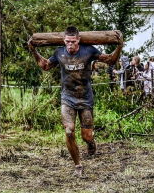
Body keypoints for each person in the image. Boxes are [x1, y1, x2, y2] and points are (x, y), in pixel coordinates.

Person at [28, 26, 123, 177]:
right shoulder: (59, 52)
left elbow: (110, 60)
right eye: (67, 42)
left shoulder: (89, 51)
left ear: (78, 40)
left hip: (85, 98)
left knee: (86, 136)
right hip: (68, 98)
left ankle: (91, 142)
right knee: (69, 131)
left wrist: (119, 46)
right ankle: (78, 166)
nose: (70, 45)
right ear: (64, 41)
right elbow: (45, 65)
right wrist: (33, 50)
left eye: (73, 42)